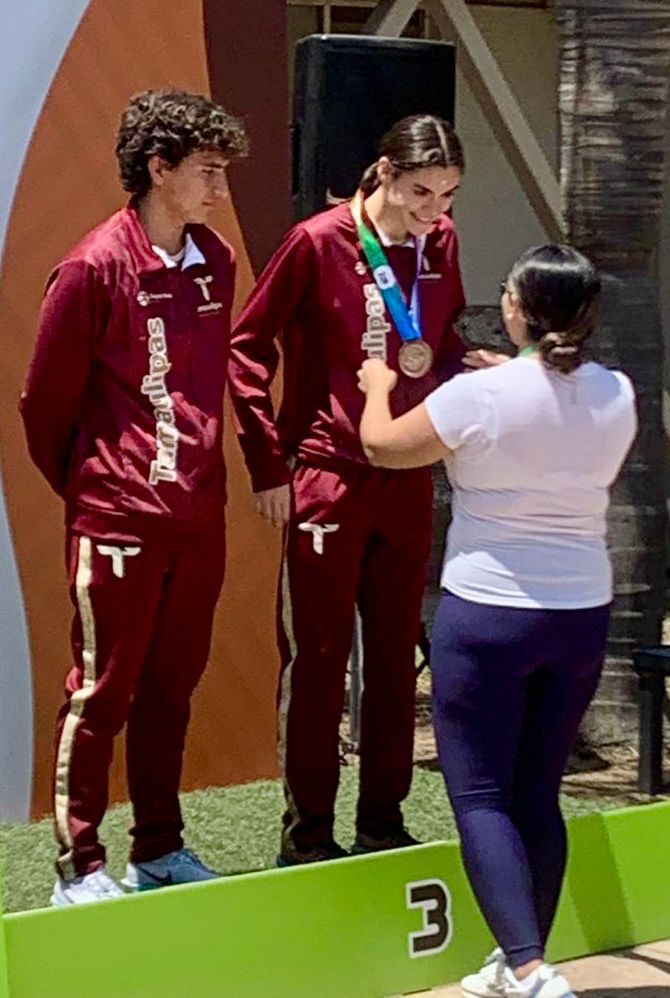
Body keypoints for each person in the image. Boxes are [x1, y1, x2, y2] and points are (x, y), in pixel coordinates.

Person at [358, 244, 636, 998]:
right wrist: (509, 376)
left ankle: (530, 968)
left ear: (517, 308)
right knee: (537, 792)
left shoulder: (476, 396)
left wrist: (377, 387)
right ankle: (519, 961)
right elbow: (549, 408)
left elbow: (382, 447)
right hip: (579, 613)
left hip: (488, 613)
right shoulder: (617, 392)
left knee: (481, 797)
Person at [20, 89, 248, 905]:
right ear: (159, 168)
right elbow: (45, 406)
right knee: (101, 691)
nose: (219, 188)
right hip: (119, 517)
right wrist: (100, 487)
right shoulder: (91, 267)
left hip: (199, 516)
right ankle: (79, 866)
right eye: (207, 170)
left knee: (170, 689)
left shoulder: (215, 260)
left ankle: (159, 849)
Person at [228, 114, 466, 865]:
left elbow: (439, 342)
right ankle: (307, 836)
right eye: (421, 192)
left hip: (407, 474)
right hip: (327, 474)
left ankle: (383, 825)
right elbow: (245, 348)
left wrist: (479, 377)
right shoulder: (317, 241)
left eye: (448, 195)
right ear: (385, 172)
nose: (434, 211)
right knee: (320, 658)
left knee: (396, 658)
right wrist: (270, 466)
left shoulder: (441, 243)